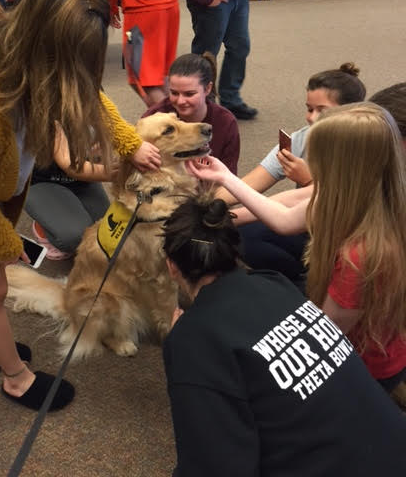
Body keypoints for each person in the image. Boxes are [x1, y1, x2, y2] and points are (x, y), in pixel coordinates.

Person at [0, 0, 160, 412]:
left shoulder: (11, 42)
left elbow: (85, 92)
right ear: (49, 51)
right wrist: (6, 244)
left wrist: (131, 142)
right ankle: (17, 379)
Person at [162, 196, 406, 477]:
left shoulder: (192, 339)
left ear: (172, 266)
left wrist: (184, 340)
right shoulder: (275, 283)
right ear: (234, 252)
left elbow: (213, 465)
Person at [187, 103, 406, 391]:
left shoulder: (361, 255)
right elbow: (285, 218)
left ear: (343, 168)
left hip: (362, 366)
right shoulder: (353, 199)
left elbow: (324, 336)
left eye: (319, 160)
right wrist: (225, 178)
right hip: (342, 327)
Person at [217, 63, 366, 282]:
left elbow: (327, 203)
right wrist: (206, 206)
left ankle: (302, 284)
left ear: (349, 112)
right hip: (302, 219)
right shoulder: (301, 139)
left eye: (322, 111)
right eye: (309, 108)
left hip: (343, 232)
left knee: (252, 239)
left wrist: (307, 180)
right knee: (241, 236)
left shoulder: (364, 147)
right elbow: (249, 184)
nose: (311, 118)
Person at [25, 124, 112, 261]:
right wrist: (120, 173)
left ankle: (61, 215)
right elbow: (70, 164)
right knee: (77, 239)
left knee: (109, 231)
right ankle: (43, 225)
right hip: (41, 181)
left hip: (80, 177)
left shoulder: (92, 107)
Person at [142, 53, 240, 173]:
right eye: (174, 93)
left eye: (189, 94)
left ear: (208, 89)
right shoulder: (153, 117)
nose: (180, 101)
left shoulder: (226, 122)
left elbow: (229, 178)